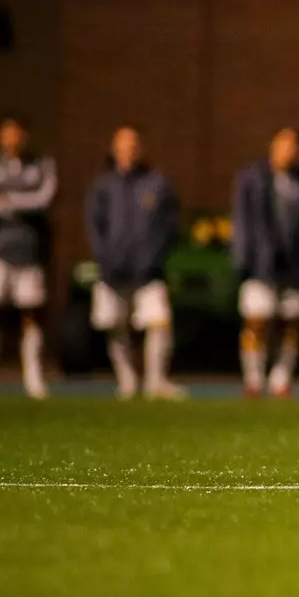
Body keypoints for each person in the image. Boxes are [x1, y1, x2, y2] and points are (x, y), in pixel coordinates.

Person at [86, 126, 183, 400]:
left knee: (159, 321)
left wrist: (154, 257)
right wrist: (105, 259)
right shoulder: (103, 186)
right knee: (114, 324)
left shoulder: (157, 184)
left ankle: (156, 380)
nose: (128, 150)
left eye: (133, 145)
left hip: (149, 270)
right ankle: (127, 380)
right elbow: (95, 227)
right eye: (123, 145)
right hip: (112, 270)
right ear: (114, 148)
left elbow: (170, 227)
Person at [231, 126, 299, 398]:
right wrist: (244, 260)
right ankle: (253, 377)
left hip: (294, 268)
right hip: (260, 266)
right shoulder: (252, 178)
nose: (287, 152)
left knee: (289, 324)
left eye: (293, 146)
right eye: (283, 145)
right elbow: (242, 221)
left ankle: (281, 378)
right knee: (255, 321)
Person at [0, 114, 58, 398]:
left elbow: (44, 199)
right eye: (7, 133)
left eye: (17, 133)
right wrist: (20, 202)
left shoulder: (41, 165)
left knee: (31, 314)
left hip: (30, 252)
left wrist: (7, 201)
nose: (12, 138)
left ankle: (33, 379)